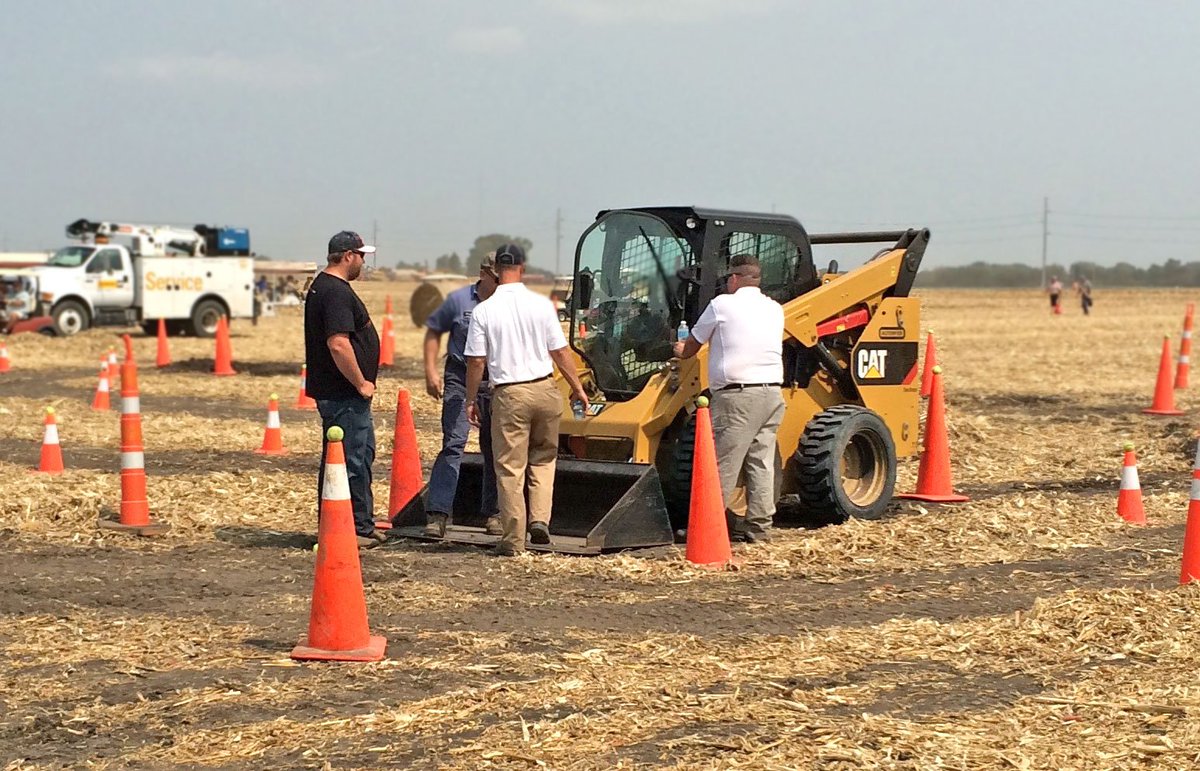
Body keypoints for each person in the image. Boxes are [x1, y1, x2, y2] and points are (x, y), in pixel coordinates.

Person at [463, 243, 589, 556]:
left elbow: (476, 361)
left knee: (509, 467)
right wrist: (578, 387)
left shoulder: (484, 311)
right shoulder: (542, 305)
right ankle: (541, 520)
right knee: (544, 459)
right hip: (545, 388)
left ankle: (513, 539)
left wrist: (470, 398)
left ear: (495, 272)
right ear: (522, 267)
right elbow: (560, 351)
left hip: (510, 392)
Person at [673, 254, 785, 543]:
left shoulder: (721, 305)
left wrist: (678, 348)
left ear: (734, 279)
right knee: (760, 462)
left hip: (738, 397)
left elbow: (691, 349)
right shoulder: (775, 309)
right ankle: (759, 528)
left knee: (723, 463)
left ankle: (706, 528)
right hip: (772, 393)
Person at [304, 230, 386, 548]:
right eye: (362, 255)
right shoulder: (335, 291)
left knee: (355, 456)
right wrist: (361, 382)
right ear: (348, 255)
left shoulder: (324, 287)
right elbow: (338, 344)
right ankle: (350, 528)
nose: (364, 262)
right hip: (343, 393)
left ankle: (353, 524)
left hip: (340, 392)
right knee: (350, 460)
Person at [421, 254, 501, 537]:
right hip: (459, 375)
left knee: (494, 448)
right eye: (496, 275)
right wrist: (431, 370)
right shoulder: (458, 300)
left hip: (495, 379)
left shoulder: (507, 303)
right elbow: (433, 332)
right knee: (454, 443)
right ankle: (438, 514)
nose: (502, 281)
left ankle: (494, 513)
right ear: (483, 273)